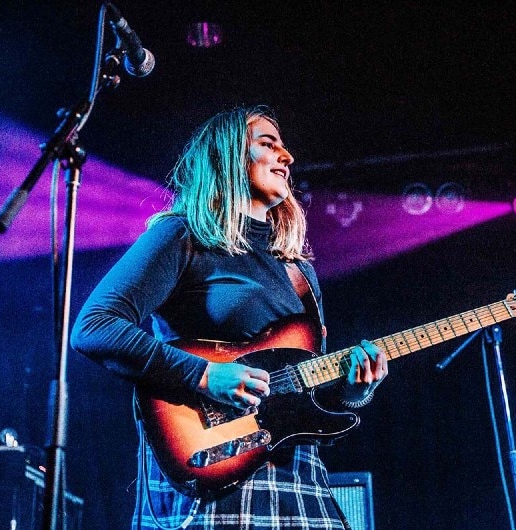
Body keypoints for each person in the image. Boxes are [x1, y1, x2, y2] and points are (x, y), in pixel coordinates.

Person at [70, 105, 387, 529]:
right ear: (227, 157)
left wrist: (353, 392)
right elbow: (95, 326)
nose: (286, 156)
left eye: (284, 147)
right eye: (268, 144)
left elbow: (308, 391)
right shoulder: (182, 235)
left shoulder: (299, 270)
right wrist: (204, 375)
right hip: (213, 467)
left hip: (298, 477)